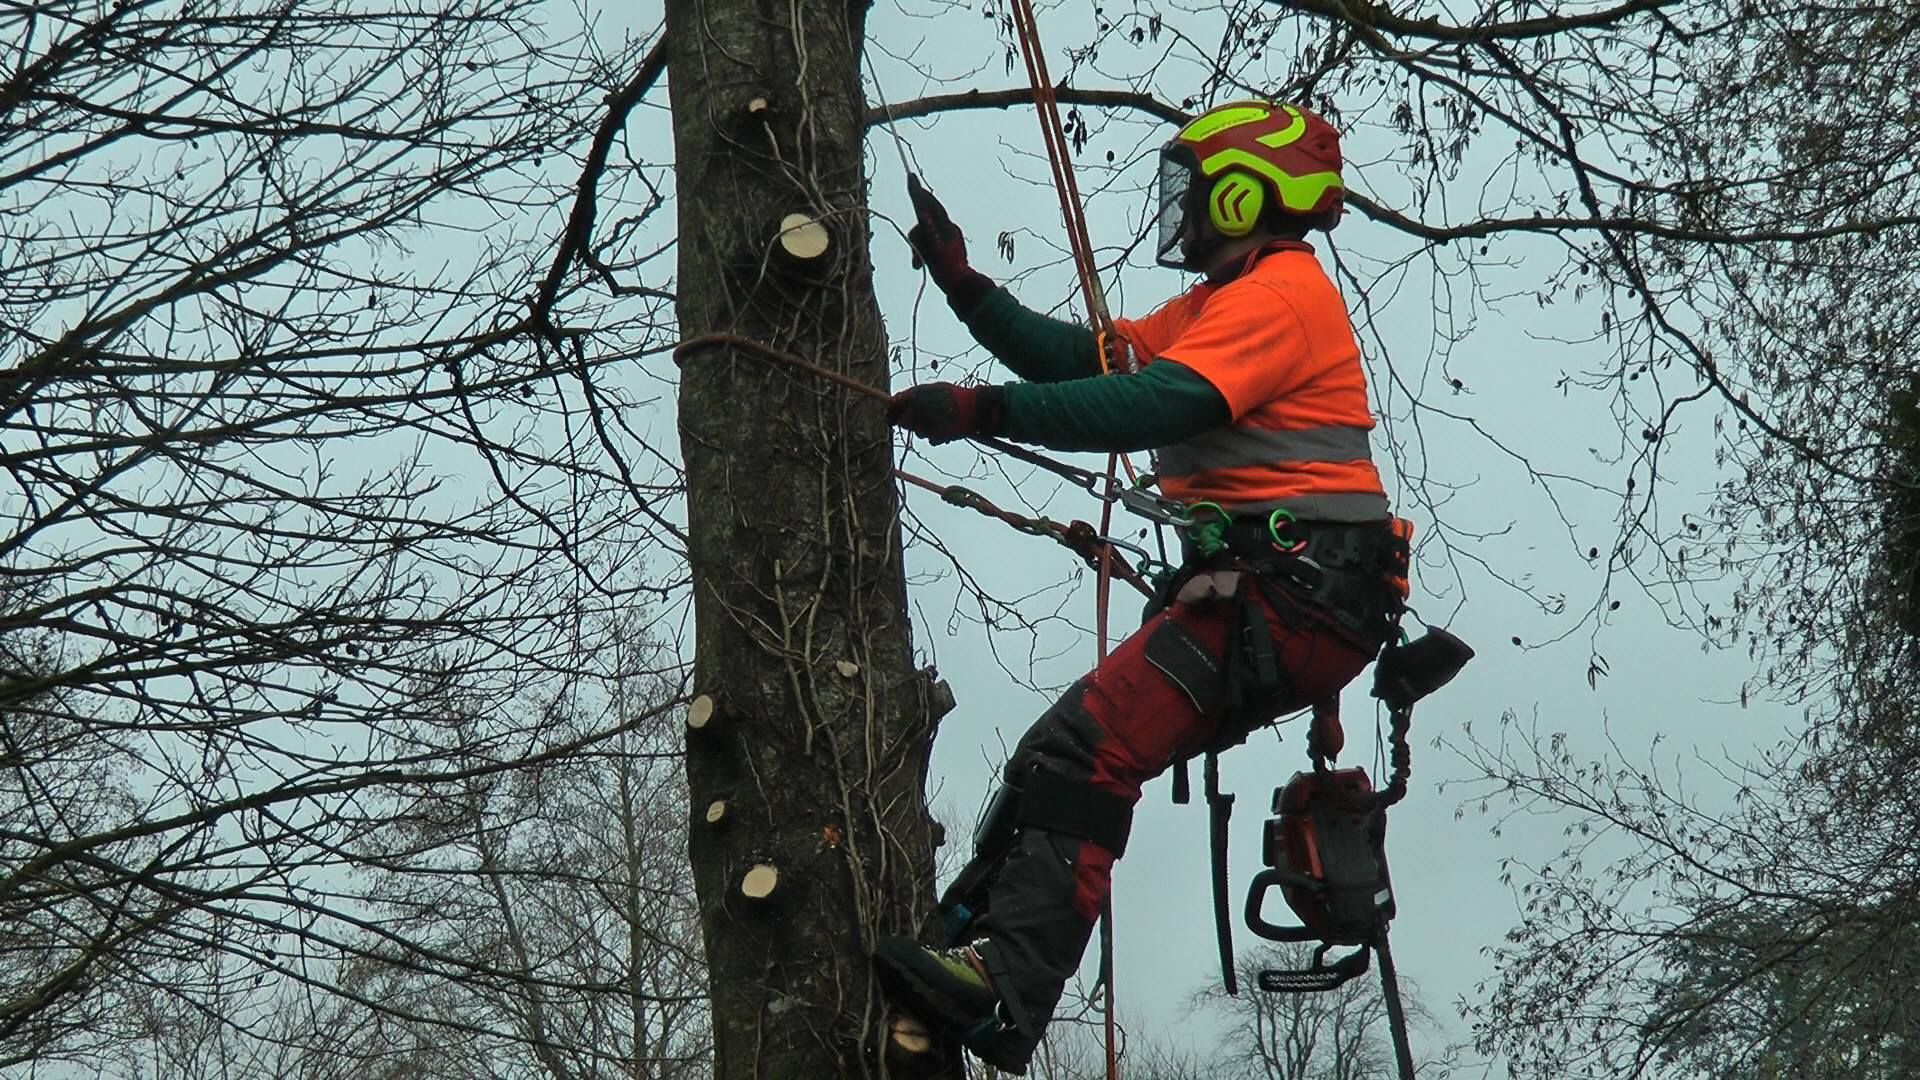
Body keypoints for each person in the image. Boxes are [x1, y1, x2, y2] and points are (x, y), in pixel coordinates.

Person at [872, 101, 1412, 1074]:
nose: (1185, 214)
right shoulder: (1215, 305)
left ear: (1243, 194)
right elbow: (1088, 361)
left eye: (1196, 192)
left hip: (1297, 594)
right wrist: (966, 290)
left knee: (1090, 748)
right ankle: (971, 943)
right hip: (1280, 595)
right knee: (1059, 751)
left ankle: (1005, 988)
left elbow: (1160, 401)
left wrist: (983, 411)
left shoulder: (1282, 293)